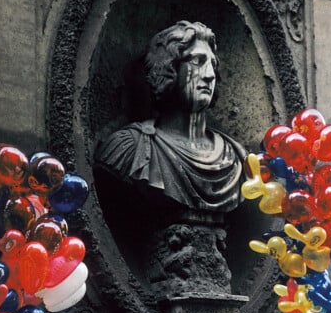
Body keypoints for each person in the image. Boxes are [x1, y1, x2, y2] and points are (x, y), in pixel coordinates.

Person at [93, 20, 245, 215]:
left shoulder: (236, 159)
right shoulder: (129, 148)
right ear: (168, 68)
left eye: (212, 64)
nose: (209, 75)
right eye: (197, 61)